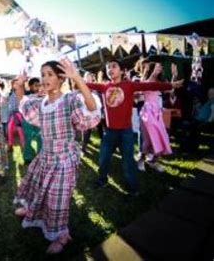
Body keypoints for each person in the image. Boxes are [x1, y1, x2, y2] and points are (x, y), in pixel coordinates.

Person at [13, 59, 100, 254]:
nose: (44, 78)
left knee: (56, 199)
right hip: (46, 156)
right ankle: (33, 211)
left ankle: (61, 235)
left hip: (63, 160)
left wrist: (77, 77)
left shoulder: (69, 100)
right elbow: (25, 107)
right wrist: (19, 86)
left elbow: (92, 109)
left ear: (61, 79)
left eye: (50, 74)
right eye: (43, 74)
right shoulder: (41, 103)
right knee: (38, 188)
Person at [87, 59, 183, 196]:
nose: (110, 69)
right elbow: (87, 84)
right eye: (108, 67)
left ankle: (133, 188)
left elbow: (151, 85)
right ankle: (102, 180)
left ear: (121, 70)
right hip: (110, 132)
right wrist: (74, 77)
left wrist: (171, 84)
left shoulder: (129, 85)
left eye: (113, 66)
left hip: (126, 132)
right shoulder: (104, 87)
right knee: (103, 159)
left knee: (128, 162)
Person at [21, 77, 44, 164]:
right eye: (36, 85)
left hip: (39, 121)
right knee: (28, 139)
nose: (38, 87)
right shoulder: (26, 96)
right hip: (27, 122)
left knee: (40, 138)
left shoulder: (42, 95)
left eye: (39, 85)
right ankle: (27, 157)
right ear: (30, 86)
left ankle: (40, 157)